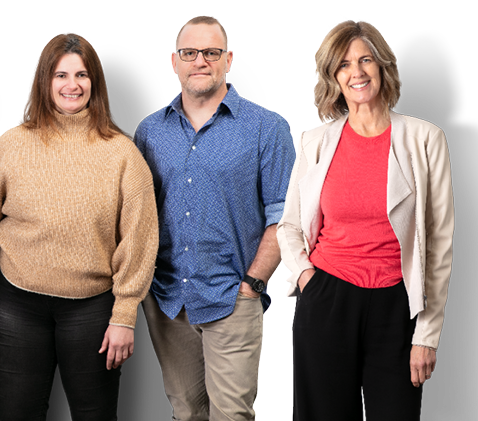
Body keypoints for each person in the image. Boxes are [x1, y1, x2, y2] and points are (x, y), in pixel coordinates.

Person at [280, 18, 451, 421]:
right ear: (333, 77)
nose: (356, 72)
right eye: (343, 65)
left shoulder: (425, 139)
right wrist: (308, 277)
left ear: (382, 66)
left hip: (397, 304)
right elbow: (289, 226)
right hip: (327, 298)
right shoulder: (315, 141)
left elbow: (439, 244)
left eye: (365, 60)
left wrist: (427, 335)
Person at [0, 32, 158, 420]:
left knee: (93, 414)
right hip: (17, 304)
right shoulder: (9, 146)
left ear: (94, 82)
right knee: (17, 413)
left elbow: (140, 239)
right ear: (44, 82)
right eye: (60, 75)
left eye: (81, 74)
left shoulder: (121, 153)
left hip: (93, 307)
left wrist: (124, 315)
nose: (71, 85)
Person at [132, 16, 295, 421]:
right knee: (186, 412)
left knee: (231, 415)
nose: (199, 61)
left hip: (232, 298)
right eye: (190, 53)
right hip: (169, 300)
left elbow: (284, 216)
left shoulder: (266, 129)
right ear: (175, 61)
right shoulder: (150, 131)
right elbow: (137, 214)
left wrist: (253, 284)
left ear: (229, 60)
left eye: (211, 52)